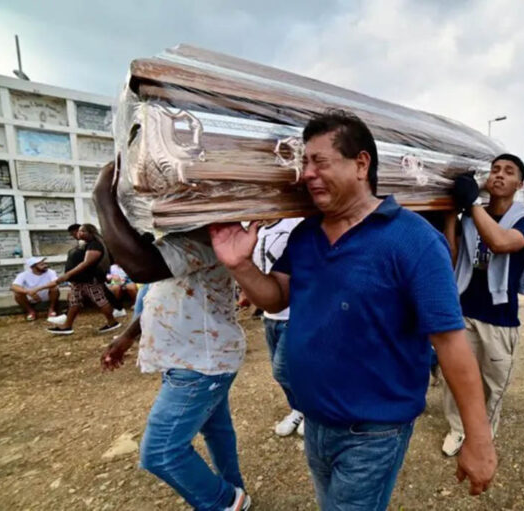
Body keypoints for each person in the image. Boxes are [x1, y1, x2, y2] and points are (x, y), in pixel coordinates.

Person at [210, 109, 496, 510]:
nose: (306, 174)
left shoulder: (414, 240)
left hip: (374, 432)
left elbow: (451, 343)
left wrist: (479, 440)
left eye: (319, 162)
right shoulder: (306, 233)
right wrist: (240, 265)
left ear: (361, 164)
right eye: (304, 162)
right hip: (316, 420)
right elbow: (277, 297)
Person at [94, 161, 252, 511]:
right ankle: (235, 490)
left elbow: (141, 268)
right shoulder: (179, 240)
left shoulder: (205, 236)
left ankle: (228, 501)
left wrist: (102, 198)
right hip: (197, 358)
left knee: (161, 452)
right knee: (216, 430)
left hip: (200, 363)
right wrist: (127, 337)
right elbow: (158, 291)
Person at [439, 154, 524, 456]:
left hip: (499, 317)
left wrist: (470, 204)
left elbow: (500, 242)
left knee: (492, 382)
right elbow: (454, 258)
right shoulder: (470, 215)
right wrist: (450, 214)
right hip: (465, 310)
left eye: (508, 172)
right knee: (454, 377)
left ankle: (483, 431)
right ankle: (457, 429)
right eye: (494, 170)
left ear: (519, 184)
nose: (499, 175)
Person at [252, 218, 305, 437]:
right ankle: (298, 409)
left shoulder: (295, 224)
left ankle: (310, 409)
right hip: (270, 315)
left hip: (295, 313)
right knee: (280, 372)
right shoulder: (256, 230)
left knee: (282, 370)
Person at [41, 224, 120, 335]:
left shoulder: (95, 245)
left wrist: (67, 275)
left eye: (83, 231)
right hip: (78, 280)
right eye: (79, 231)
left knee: (100, 301)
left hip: (89, 279)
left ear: (91, 233)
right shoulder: (85, 245)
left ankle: (112, 322)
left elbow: (86, 264)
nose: (80, 233)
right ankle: (67, 326)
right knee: (74, 302)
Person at [10, 256, 59, 320]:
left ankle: (51, 309)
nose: (45, 266)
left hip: (47, 295)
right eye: (42, 264)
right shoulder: (24, 275)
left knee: (54, 288)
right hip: (31, 297)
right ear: (32, 267)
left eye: (45, 263)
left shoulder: (50, 272)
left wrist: (37, 289)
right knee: (17, 294)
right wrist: (28, 292)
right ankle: (30, 311)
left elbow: (55, 282)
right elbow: (14, 287)